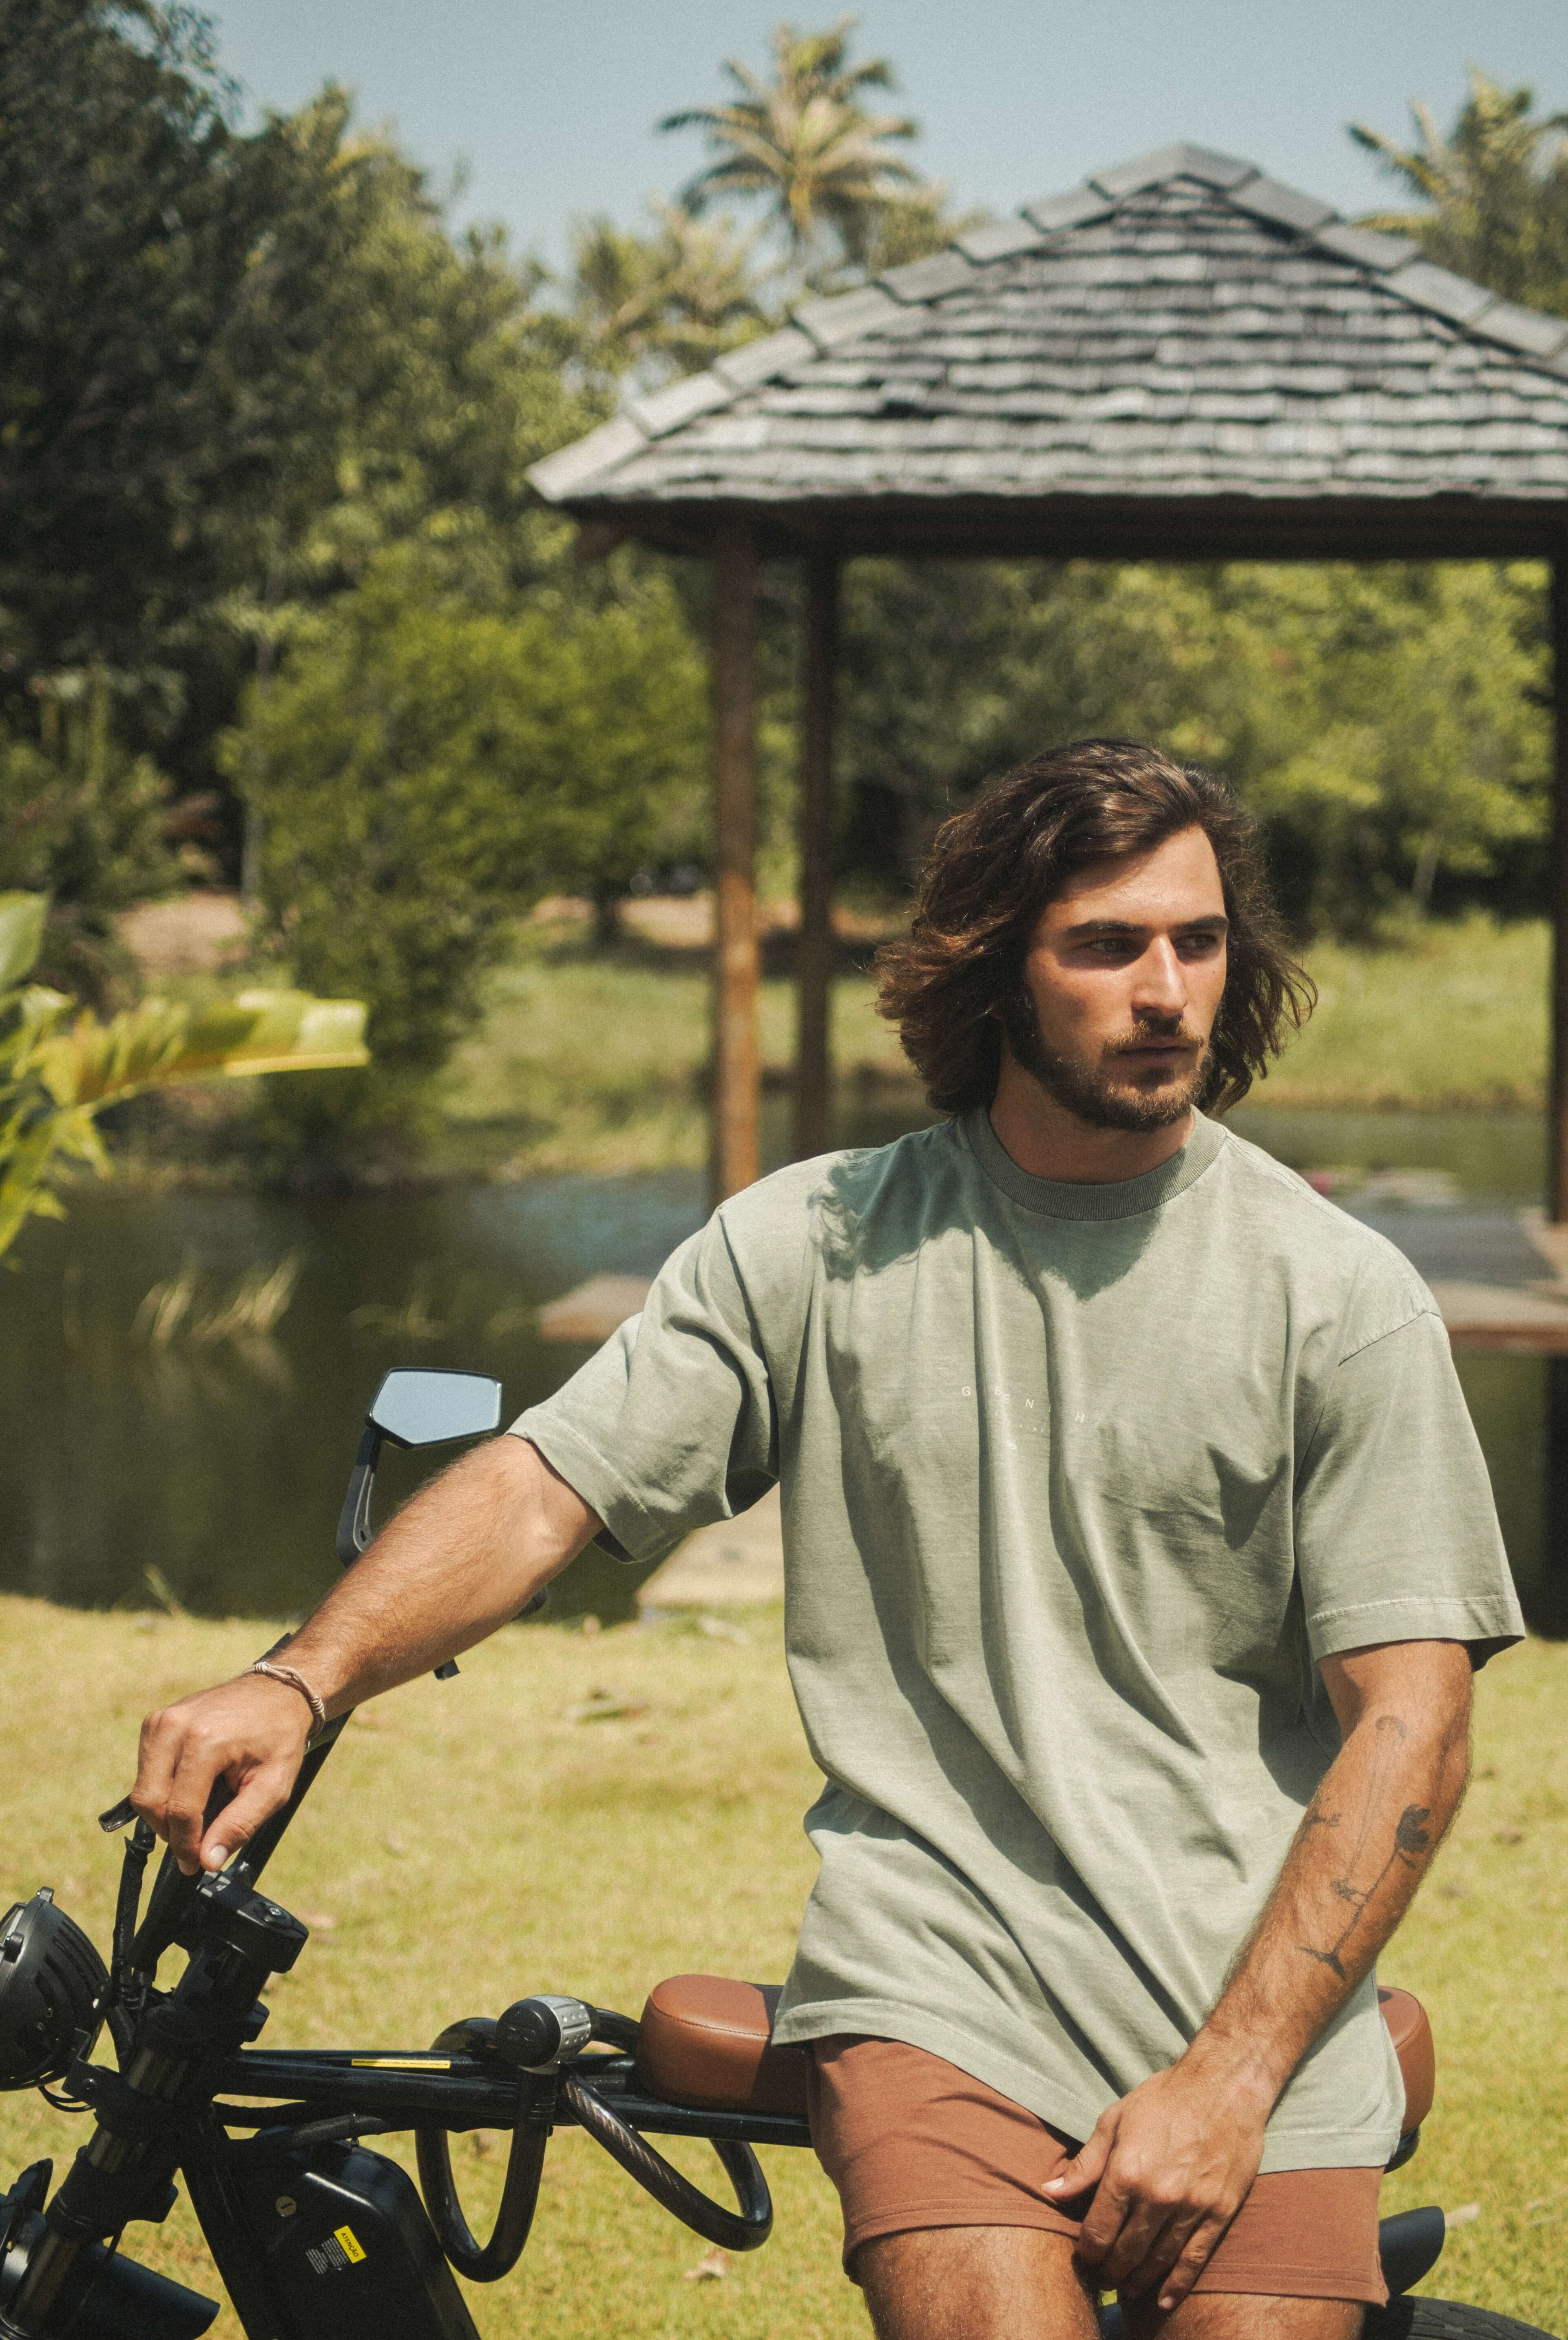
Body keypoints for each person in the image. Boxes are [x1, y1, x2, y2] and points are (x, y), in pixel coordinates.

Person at [130, 740, 1522, 2340]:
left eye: (1195, 942)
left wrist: (1226, 2080)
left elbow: (1409, 1728)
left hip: (1248, 2008)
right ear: (995, 966)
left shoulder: (1334, 1297)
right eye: (1105, 944)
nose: (1164, 991)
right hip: (941, 1987)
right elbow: (543, 1487)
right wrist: (300, 1682)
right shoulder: (820, 1244)